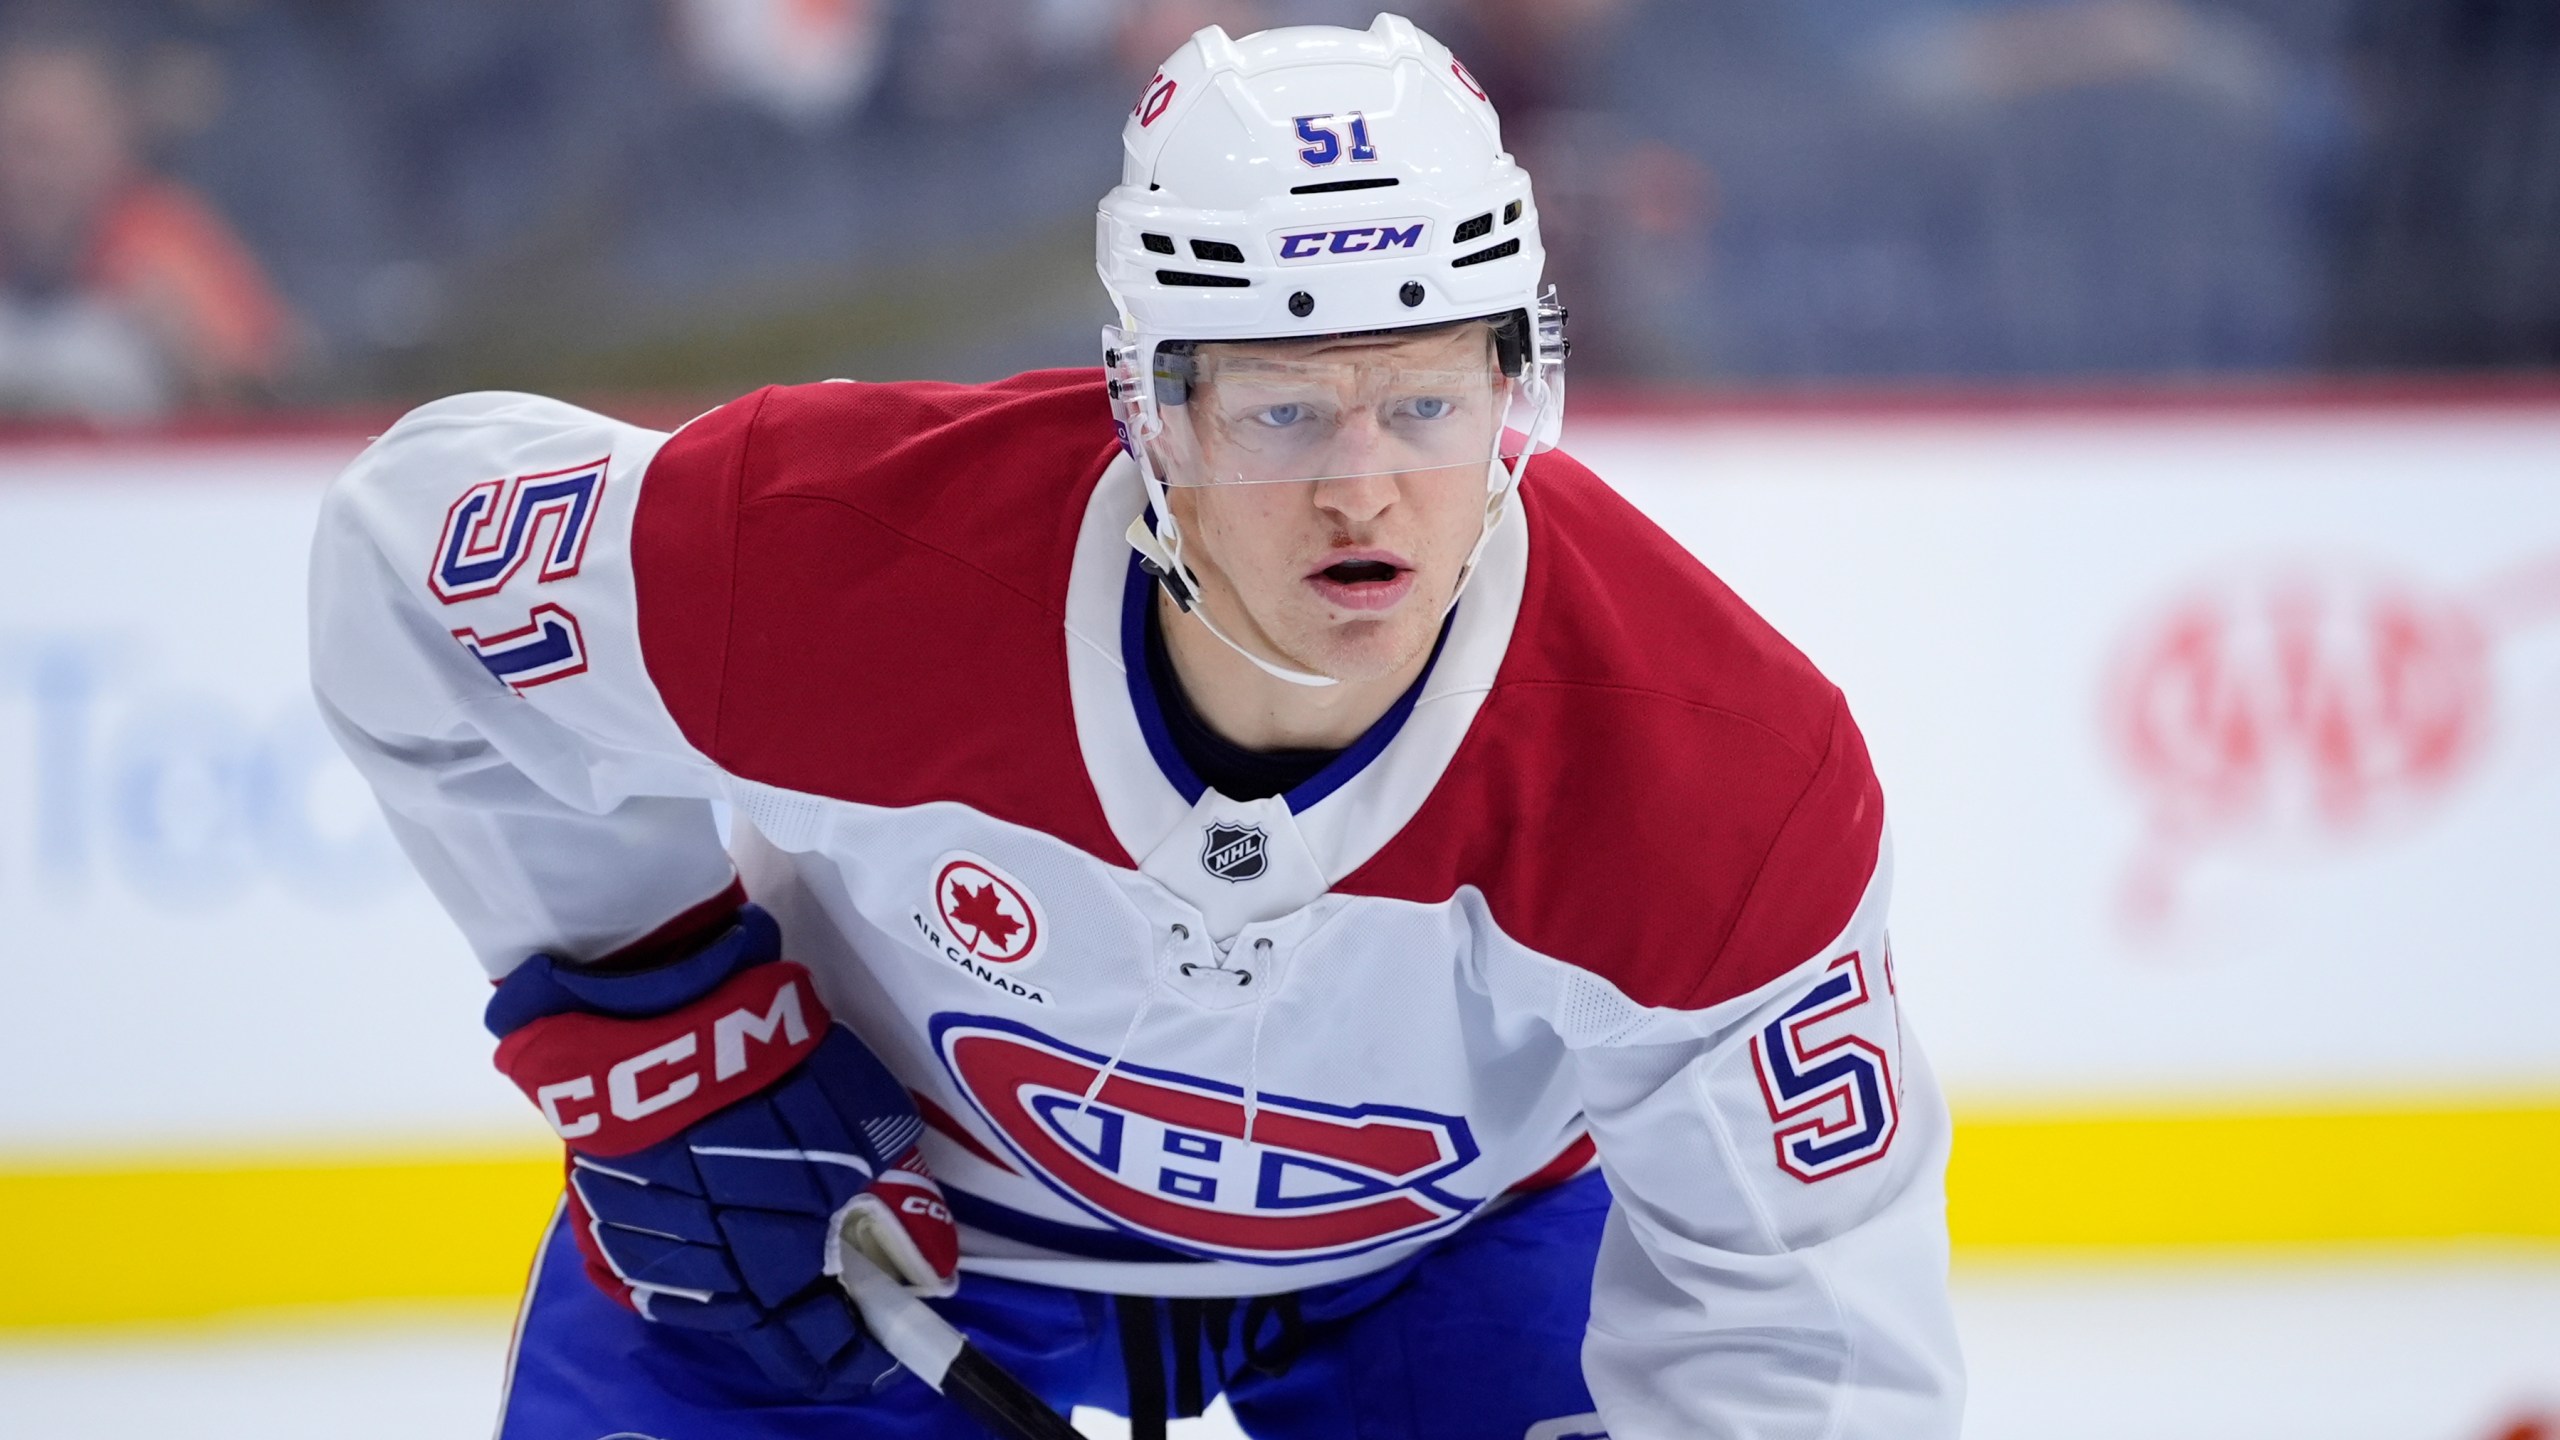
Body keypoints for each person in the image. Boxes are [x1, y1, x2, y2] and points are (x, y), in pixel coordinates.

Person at [311, 16, 1962, 1438]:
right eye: (1284, 410)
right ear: (1152, 413)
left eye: (1429, 402)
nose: (1365, 488)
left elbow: (1803, 1347)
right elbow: (417, 561)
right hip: (869, 1223)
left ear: (1519, 382)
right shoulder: (856, 562)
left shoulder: (1714, 775)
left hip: (1441, 1258)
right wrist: (659, 1030)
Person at [0, 36, 294, 420]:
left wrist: (194, 356)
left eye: (66, 147)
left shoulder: (170, 246)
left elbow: (273, 397)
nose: (43, 175)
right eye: (28, 144)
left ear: (115, 145)